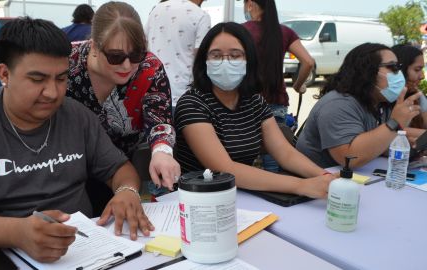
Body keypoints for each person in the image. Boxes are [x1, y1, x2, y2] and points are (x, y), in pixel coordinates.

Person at [0, 17, 154, 263]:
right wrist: (19, 232)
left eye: (61, 78)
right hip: (4, 254)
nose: (52, 92)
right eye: (37, 79)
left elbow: (119, 168)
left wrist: (127, 191)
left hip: (89, 250)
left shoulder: (76, 116)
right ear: (4, 73)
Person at [174, 22, 334, 199]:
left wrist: (326, 177)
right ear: (204, 61)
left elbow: (285, 153)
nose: (225, 62)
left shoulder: (255, 101)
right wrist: (301, 185)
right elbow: (225, 168)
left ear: (248, 60)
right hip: (197, 201)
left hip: (241, 196)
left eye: (235, 56)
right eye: (216, 55)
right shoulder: (192, 104)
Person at [67, 2, 180, 194]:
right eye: (115, 56)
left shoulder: (149, 69)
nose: (127, 66)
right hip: (68, 171)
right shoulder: (67, 63)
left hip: (123, 171)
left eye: (136, 54)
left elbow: (159, 118)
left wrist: (162, 151)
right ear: (95, 46)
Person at [296, 43, 422, 168]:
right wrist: (395, 123)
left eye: (399, 67)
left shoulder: (380, 103)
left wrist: (405, 148)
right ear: (367, 71)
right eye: (392, 67)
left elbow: (372, 143)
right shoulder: (338, 104)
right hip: (315, 180)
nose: (398, 73)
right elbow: (349, 158)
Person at [242, 0, 314, 172]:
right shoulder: (285, 32)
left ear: (250, 4)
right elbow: (308, 62)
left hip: (246, 104)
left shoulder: (242, 31)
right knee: (274, 161)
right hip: (276, 103)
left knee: (244, 160)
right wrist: (298, 86)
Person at [145, 0, 211, 107]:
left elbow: (144, 45)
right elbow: (202, 58)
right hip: (184, 95)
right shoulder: (201, 15)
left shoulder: (156, 10)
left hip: (153, 91)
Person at [391, 44, 427, 144]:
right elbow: (387, 128)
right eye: (417, 69)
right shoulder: (383, 96)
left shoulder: (417, 96)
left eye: (422, 70)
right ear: (399, 70)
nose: (422, 76)